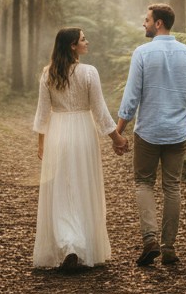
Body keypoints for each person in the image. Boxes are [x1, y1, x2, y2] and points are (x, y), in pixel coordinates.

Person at [32, 27, 128, 271]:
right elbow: (100, 110)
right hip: (83, 132)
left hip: (57, 133)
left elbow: (42, 113)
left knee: (62, 189)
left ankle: (68, 244)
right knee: (82, 185)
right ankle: (79, 244)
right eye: (83, 39)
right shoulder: (89, 72)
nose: (87, 42)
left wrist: (42, 143)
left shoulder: (48, 73)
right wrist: (116, 138)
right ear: (73, 45)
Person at [116, 2, 186, 267]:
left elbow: (131, 98)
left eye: (146, 19)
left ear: (158, 23)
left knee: (144, 183)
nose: (143, 23)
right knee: (172, 187)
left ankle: (150, 239)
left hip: (148, 132)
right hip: (177, 132)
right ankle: (168, 248)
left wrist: (118, 132)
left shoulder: (142, 53)